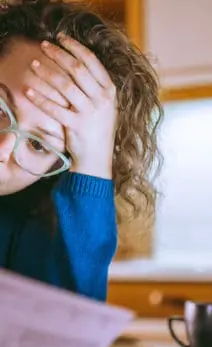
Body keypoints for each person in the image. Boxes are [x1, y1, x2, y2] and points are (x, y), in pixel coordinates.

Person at [0, 0, 163, 302]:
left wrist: (93, 161)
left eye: (38, 144)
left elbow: (64, 326)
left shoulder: (26, 234)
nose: (4, 146)